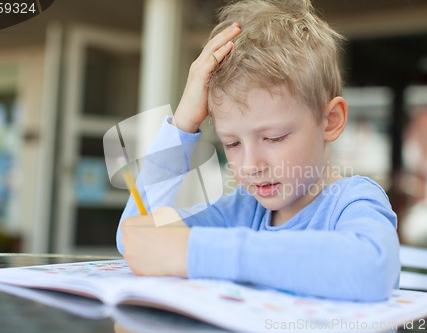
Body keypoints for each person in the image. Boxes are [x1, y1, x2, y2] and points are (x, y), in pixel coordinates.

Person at [117, 0, 400, 301]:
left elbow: (372, 268)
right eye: (233, 144)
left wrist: (201, 251)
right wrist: (184, 122)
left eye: (274, 138)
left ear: (330, 121)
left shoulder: (351, 201)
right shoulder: (240, 210)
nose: (251, 165)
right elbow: (136, 238)